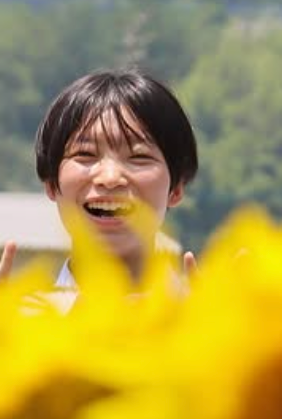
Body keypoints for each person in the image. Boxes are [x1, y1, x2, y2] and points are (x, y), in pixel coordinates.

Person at [29, 66, 199, 310]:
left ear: (176, 188)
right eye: (85, 154)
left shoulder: (209, 325)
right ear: (51, 183)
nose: (110, 178)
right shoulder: (18, 328)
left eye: (139, 157)